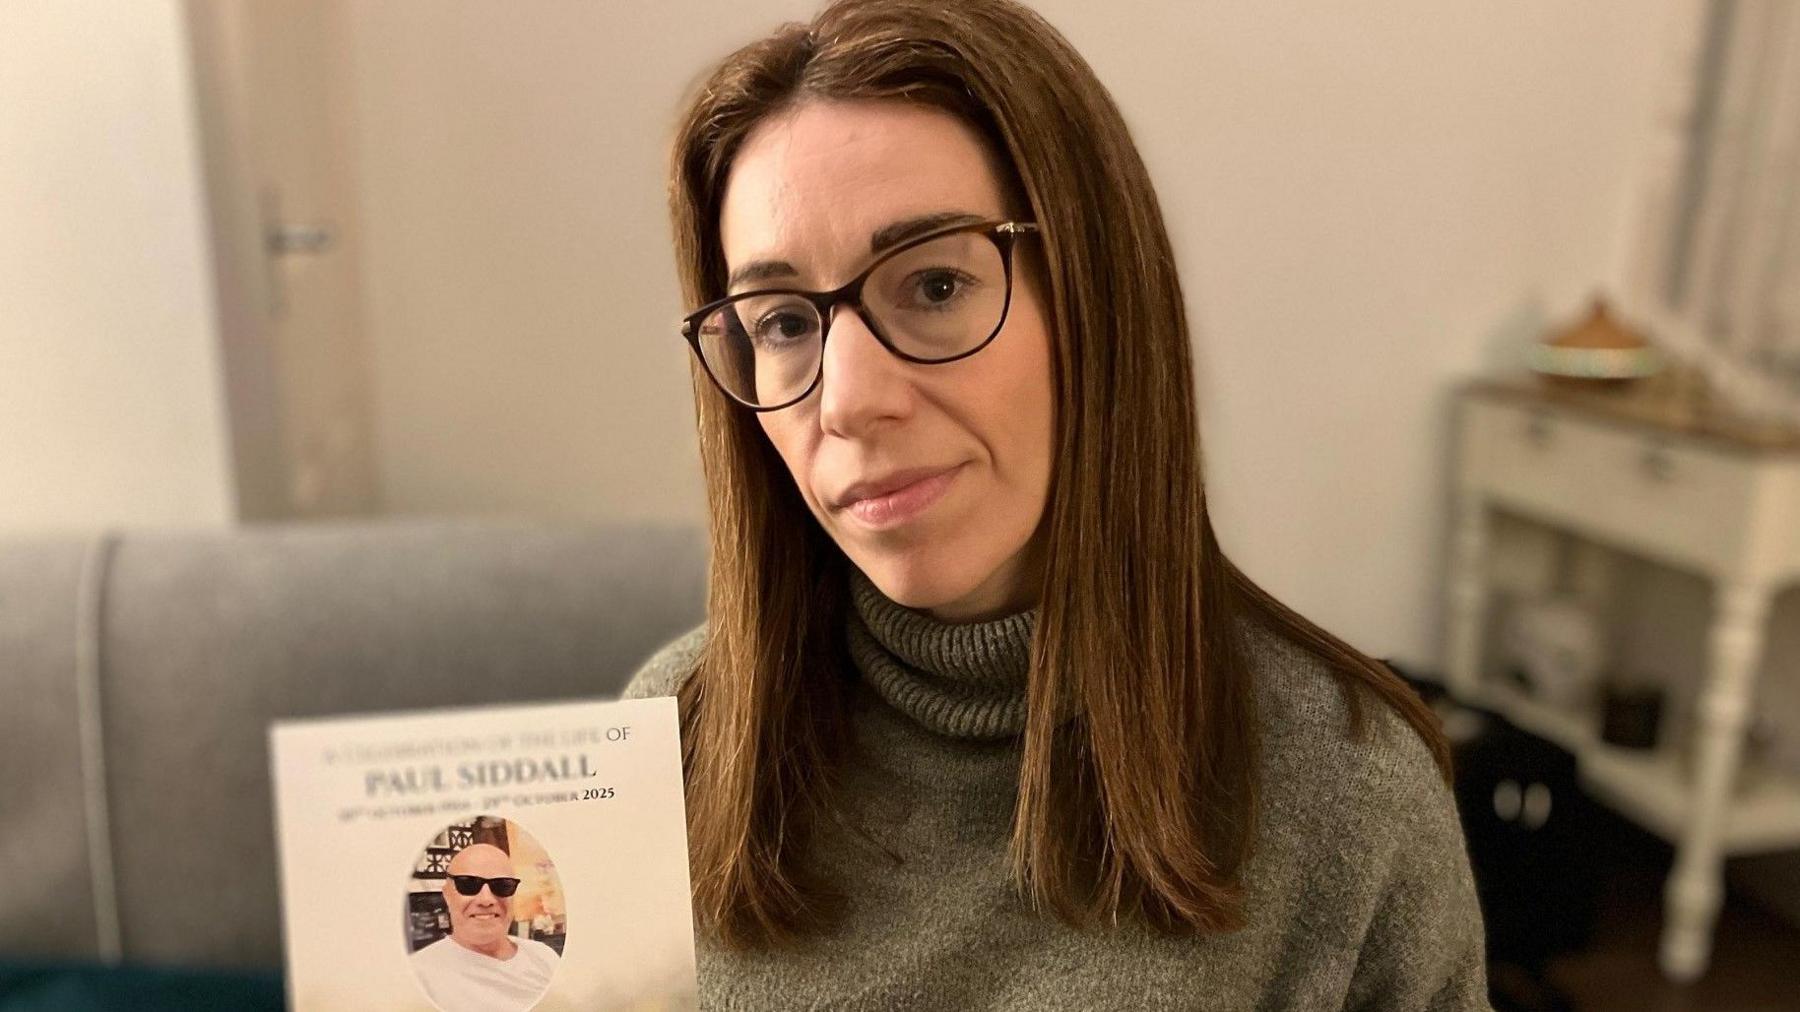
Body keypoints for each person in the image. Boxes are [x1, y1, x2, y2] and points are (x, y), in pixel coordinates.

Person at [627, 0, 1490, 1007]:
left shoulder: (1350, 795)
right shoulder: (670, 740)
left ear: (1096, 299)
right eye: (781, 323)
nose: (849, 400)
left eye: (935, 285)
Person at [408, 843, 559, 1012]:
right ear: (447, 895)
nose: (486, 900)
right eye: (468, 884)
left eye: (502, 885)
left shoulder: (544, 957)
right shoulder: (418, 977)